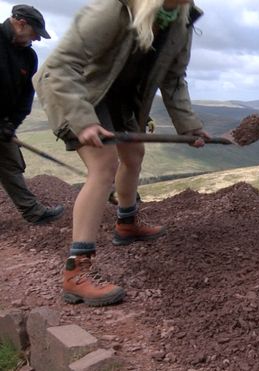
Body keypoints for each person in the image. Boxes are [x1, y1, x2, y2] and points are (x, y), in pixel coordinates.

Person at [34, 0, 209, 307]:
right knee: (103, 166)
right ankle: (76, 273)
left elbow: (173, 79)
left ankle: (126, 224)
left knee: (134, 155)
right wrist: (83, 120)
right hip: (79, 93)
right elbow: (60, 66)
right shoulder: (114, 9)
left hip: (122, 98)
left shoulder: (181, 21)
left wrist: (189, 126)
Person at [0, 4, 64, 225]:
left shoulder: (28, 56)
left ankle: (34, 213)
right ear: (20, 23)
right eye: (35, 32)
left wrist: (11, 124)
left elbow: (27, 96)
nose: (37, 39)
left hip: (4, 123)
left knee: (11, 164)